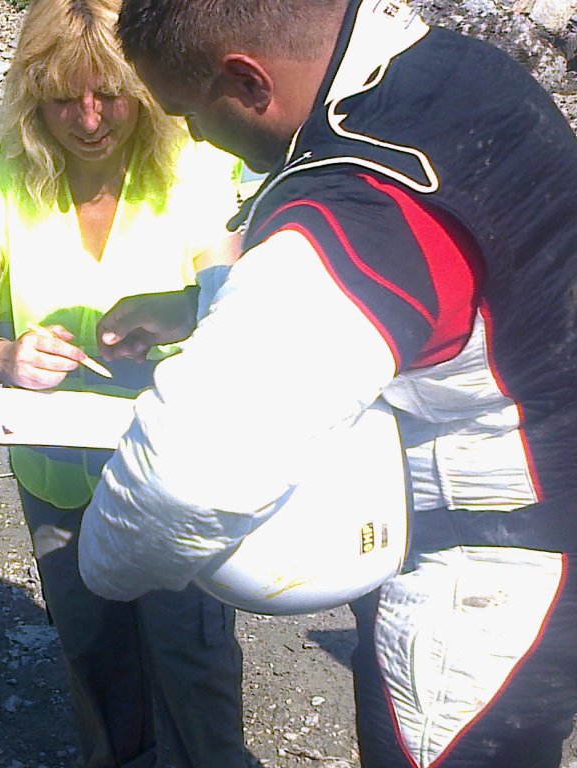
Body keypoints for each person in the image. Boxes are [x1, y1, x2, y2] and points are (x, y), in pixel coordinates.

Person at [75, 1, 577, 767]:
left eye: (188, 112)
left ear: (248, 82)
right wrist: (197, 304)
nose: (195, 135)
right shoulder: (451, 70)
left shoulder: (368, 201)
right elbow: (444, 283)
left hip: (491, 576)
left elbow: (182, 483)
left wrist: (101, 569)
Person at [0, 1, 254, 766]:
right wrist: (1, 357)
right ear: (29, 93)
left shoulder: (199, 166)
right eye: (62, 97)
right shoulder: (1, 174)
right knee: (94, 654)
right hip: (56, 473)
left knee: (193, 657)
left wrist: (183, 315)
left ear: (142, 84)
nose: (88, 119)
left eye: (109, 93)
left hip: (177, 467)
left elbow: (242, 308)